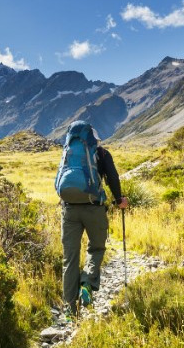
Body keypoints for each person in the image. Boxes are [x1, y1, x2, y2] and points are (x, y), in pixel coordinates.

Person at [56, 121, 128, 318]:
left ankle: (71, 311)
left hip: (69, 209)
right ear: (94, 139)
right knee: (96, 248)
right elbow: (112, 177)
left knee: (69, 259)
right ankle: (87, 282)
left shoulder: (69, 154)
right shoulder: (102, 154)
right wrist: (119, 199)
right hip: (94, 208)